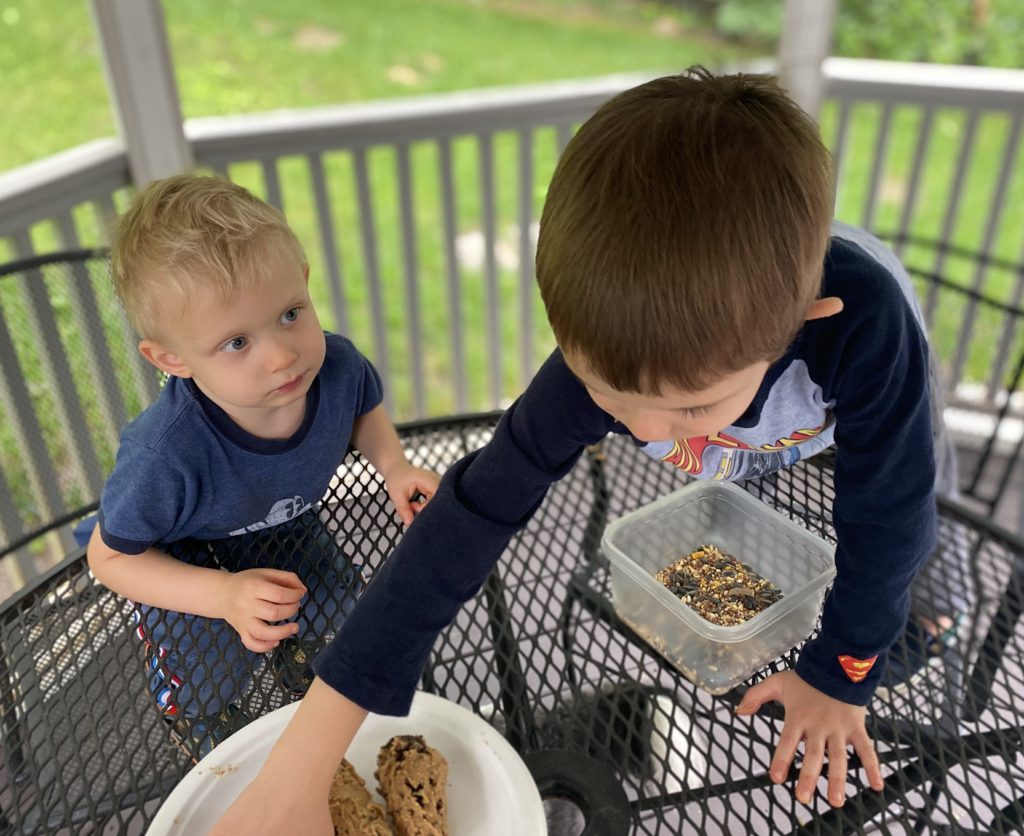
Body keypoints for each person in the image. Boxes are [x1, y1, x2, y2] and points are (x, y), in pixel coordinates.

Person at [211, 68, 963, 833]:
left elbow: (890, 516)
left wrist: (841, 674)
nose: (646, 435)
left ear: (803, 319)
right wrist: (299, 764)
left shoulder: (868, 330)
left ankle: (931, 618)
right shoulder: (612, 362)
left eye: (688, 404)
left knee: (914, 554)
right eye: (612, 401)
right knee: (737, 478)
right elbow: (464, 523)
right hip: (756, 424)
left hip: (863, 411)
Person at [86, 175, 439, 760]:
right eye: (236, 343)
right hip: (184, 560)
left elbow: (362, 410)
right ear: (171, 359)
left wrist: (394, 464)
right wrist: (222, 594)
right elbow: (110, 556)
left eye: (290, 313)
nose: (282, 354)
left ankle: (313, 692)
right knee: (210, 683)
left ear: (303, 279)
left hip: (283, 526)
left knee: (341, 620)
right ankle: (210, 739)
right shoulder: (164, 453)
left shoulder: (337, 368)